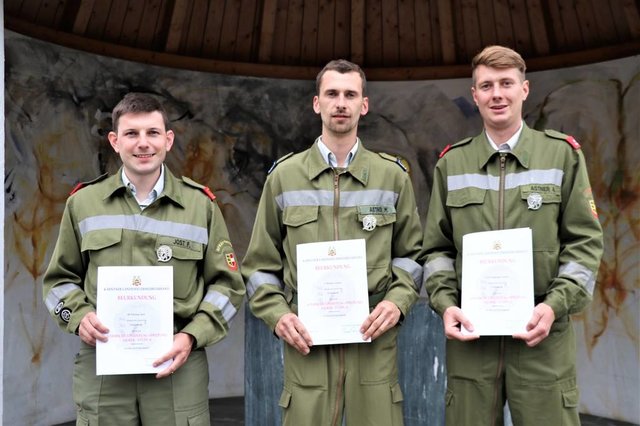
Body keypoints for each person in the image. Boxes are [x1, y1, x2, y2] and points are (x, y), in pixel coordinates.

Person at [421, 45, 604, 425]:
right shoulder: (451, 164)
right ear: (475, 96)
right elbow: (436, 249)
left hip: (541, 335)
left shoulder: (562, 156)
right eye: (486, 86)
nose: (496, 94)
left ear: (524, 89)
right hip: (472, 339)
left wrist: (554, 305)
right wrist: (445, 303)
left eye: (506, 83)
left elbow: (584, 245)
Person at [42, 92, 246, 425]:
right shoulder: (83, 204)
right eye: (131, 134)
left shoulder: (200, 207)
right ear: (114, 141)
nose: (143, 143)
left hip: (177, 366)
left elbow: (228, 286)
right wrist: (79, 318)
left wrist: (192, 335)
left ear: (168, 140)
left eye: (152, 133)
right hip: (104, 369)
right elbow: (58, 281)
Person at [242, 59, 423, 425]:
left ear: (363, 104)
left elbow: (412, 256)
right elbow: (260, 266)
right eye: (332, 94)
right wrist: (279, 317)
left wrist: (396, 302)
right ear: (317, 103)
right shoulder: (284, 178)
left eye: (350, 94)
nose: (341, 102)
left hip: (373, 342)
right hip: (306, 347)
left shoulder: (392, 176)